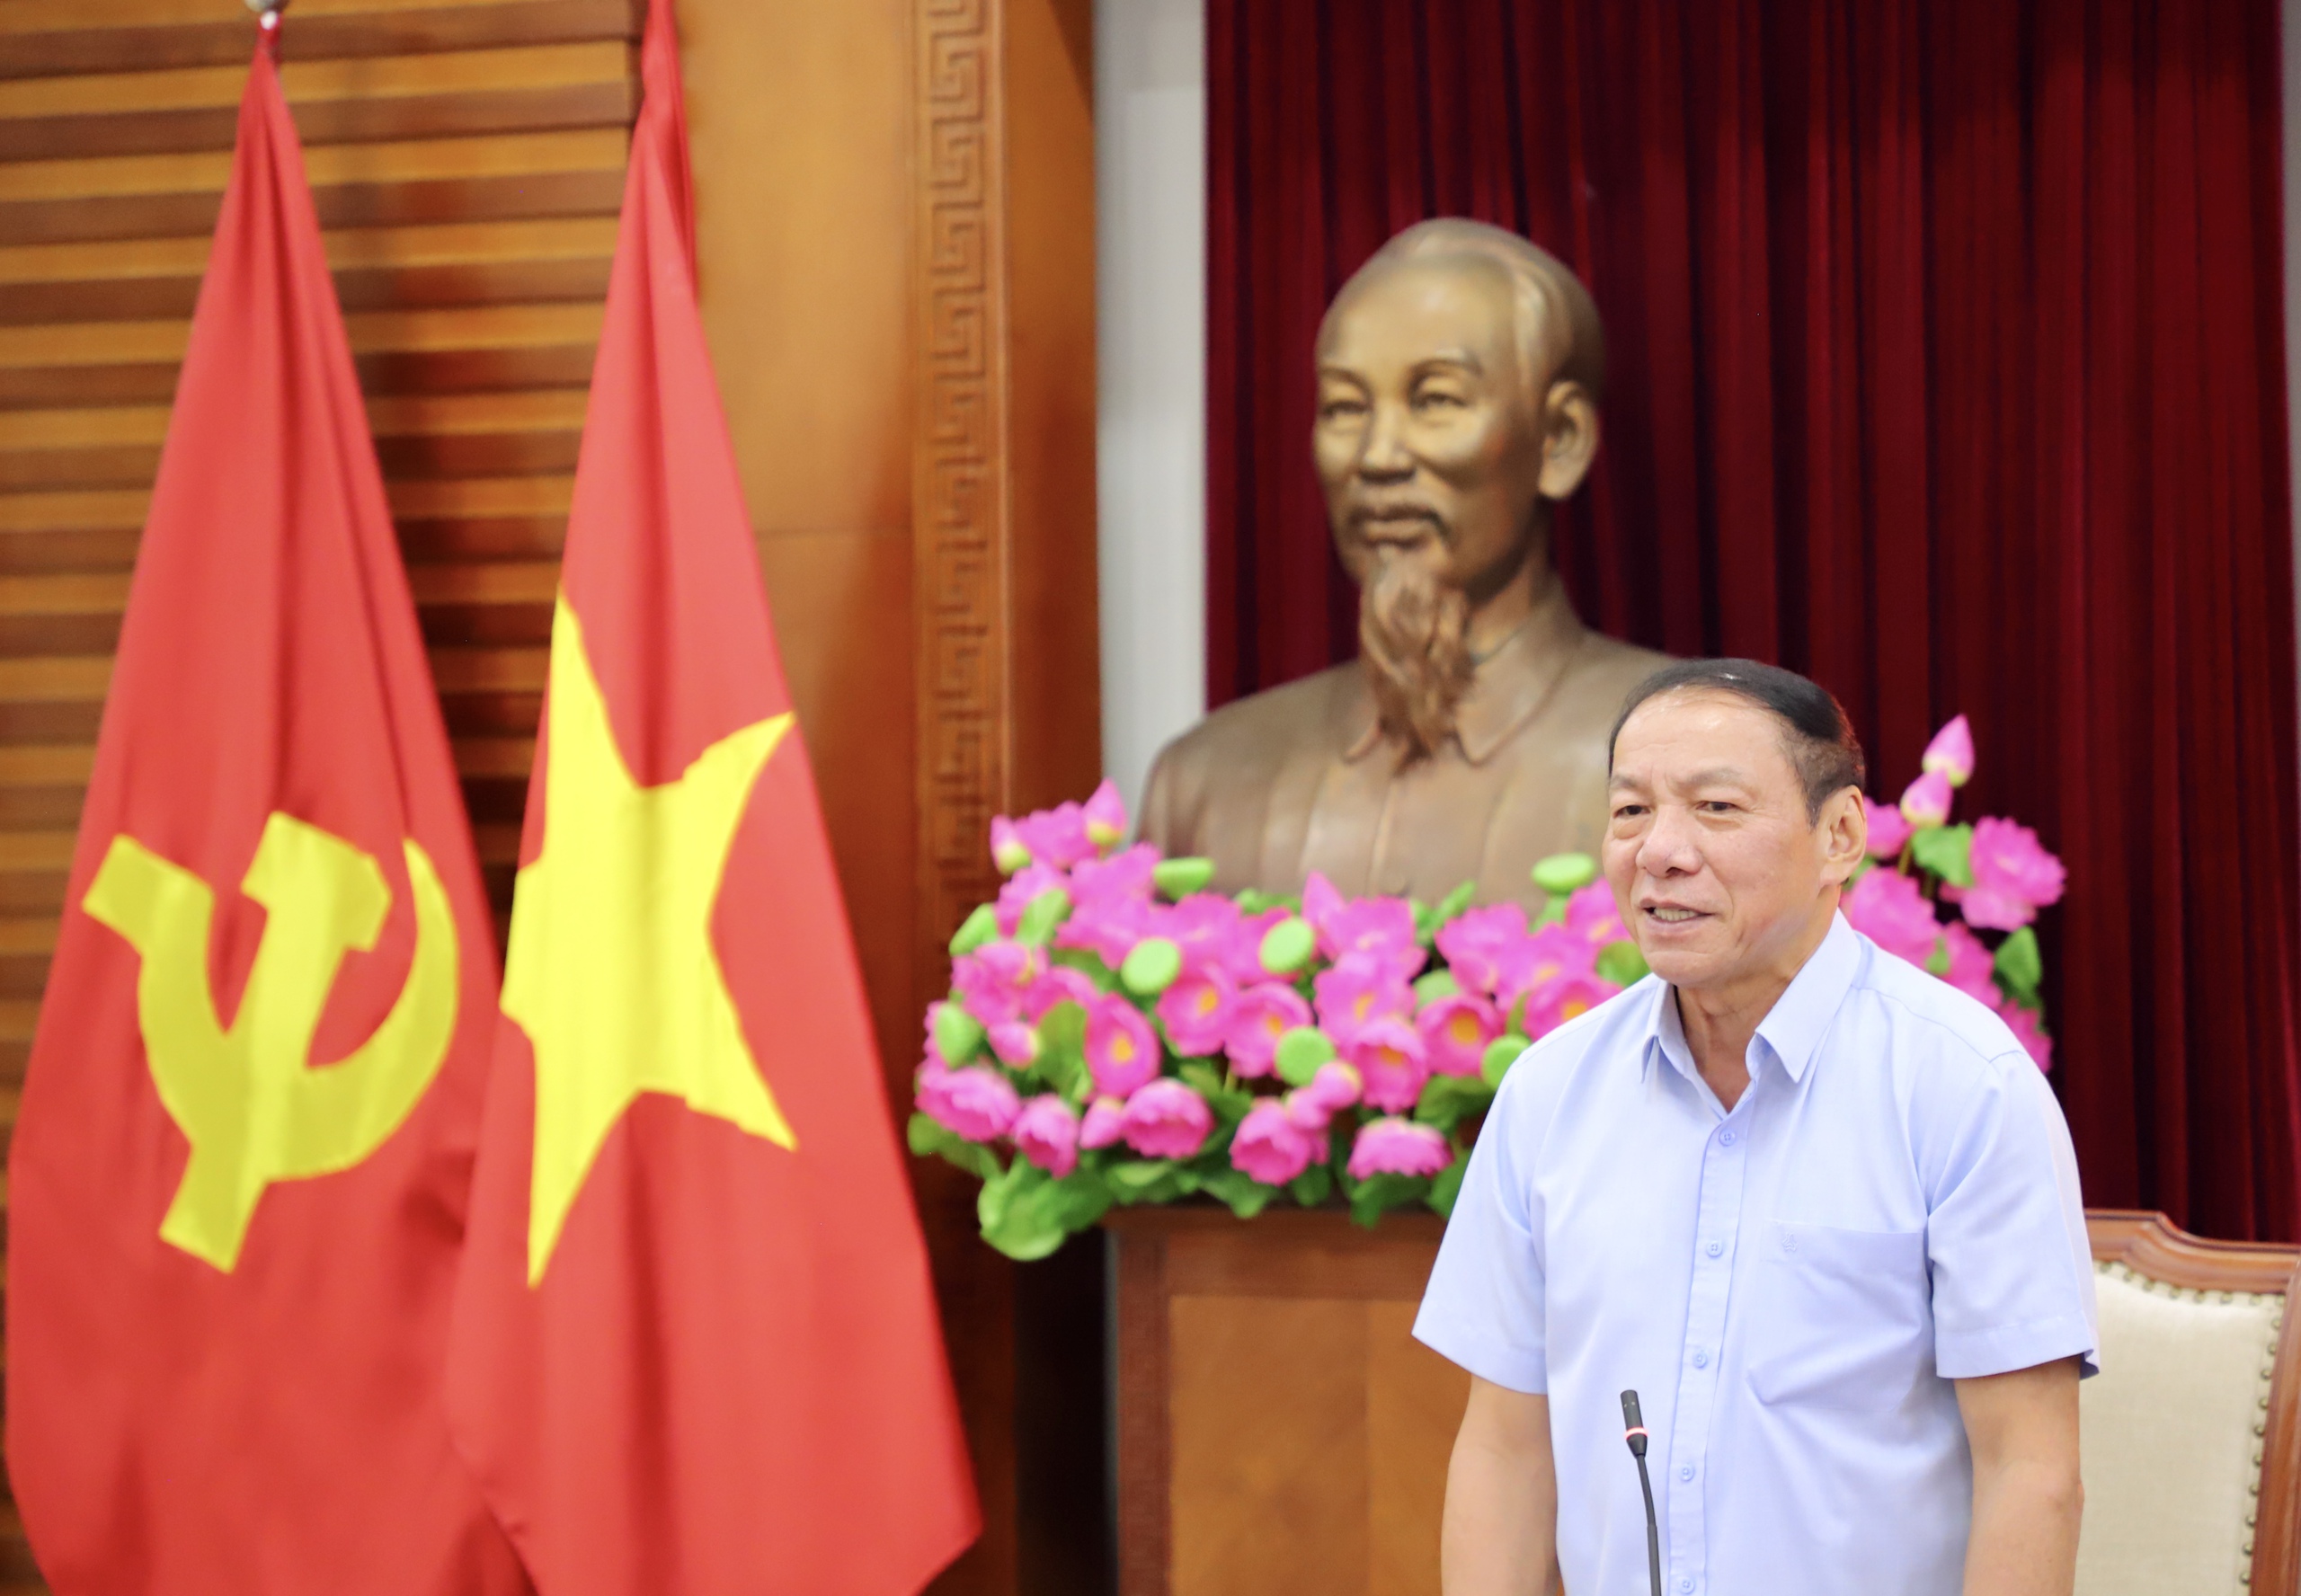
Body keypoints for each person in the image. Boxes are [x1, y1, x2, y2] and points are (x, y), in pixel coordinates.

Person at [1416, 659, 2095, 1596]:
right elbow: (1504, 1453)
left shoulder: (1960, 1086)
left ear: (1840, 834)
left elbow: (2031, 1470)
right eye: (1630, 811)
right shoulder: (1549, 1095)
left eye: (1717, 809)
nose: (1660, 850)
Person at [1141, 218, 1666, 909]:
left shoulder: (1686, 761)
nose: (1378, 455)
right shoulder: (1202, 785)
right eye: (1345, 407)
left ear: (1559, 439)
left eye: (1436, 400)